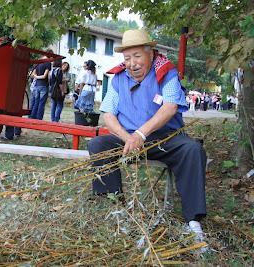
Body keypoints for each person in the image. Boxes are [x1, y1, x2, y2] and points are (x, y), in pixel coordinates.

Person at [88, 29, 207, 242]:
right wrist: (128, 138)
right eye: (127, 58)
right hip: (129, 139)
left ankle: (193, 220)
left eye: (137, 56)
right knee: (98, 144)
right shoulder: (118, 78)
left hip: (164, 138)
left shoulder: (166, 72)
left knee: (192, 150)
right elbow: (108, 114)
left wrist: (142, 134)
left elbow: (170, 107)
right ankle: (114, 207)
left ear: (150, 53)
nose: (132, 63)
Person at [30, 49, 52, 120]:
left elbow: (33, 74)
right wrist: (39, 77)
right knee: (41, 103)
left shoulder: (38, 62)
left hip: (36, 85)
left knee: (36, 102)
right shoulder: (48, 62)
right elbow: (45, 76)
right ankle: (39, 118)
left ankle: (32, 116)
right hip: (44, 85)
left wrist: (36, 77)